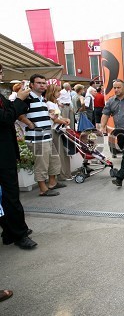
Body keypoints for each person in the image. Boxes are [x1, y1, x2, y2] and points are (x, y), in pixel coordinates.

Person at [0, 63, 37, 249]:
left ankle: (11, 230)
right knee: (10, 195)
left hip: (5, 152)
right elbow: (5, 117)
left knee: (8, 196)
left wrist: (24, 98)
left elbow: (14, 112)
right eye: (0, 71)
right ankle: (18, 233)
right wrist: (18, 101)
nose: (2, 74)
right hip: (2, 154)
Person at [18, 74, 66, 197]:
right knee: (42, 163)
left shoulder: (42, 99)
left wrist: (51, 117)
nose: (42, 85)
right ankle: (43, 189)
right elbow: (18, 113)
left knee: (54, 160)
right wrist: (29, 123)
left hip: (47, 136)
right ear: (32, 84)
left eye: (44, 83)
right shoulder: (27, 98)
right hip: (36, 138)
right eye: (39, 83)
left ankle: (52, 183)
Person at [100, 79, 124, 187]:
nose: (116, 89)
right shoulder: (111, 101)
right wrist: (102, 126)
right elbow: (105, 114)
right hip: (120, 133)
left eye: (118, 87)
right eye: (114, 88)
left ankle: (119, 177)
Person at [44, 84, 72, 181]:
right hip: (55, 130)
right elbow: (54, 119)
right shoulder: (50, 104)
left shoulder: (54, 103)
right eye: (57, 91)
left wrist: (64, 119)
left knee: (63, 152)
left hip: (58, 129)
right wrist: (65, 121)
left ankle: (65, 174)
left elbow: (57, 118)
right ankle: (62, 175)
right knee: (60, 153)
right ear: (52, 93)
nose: (59, 93)